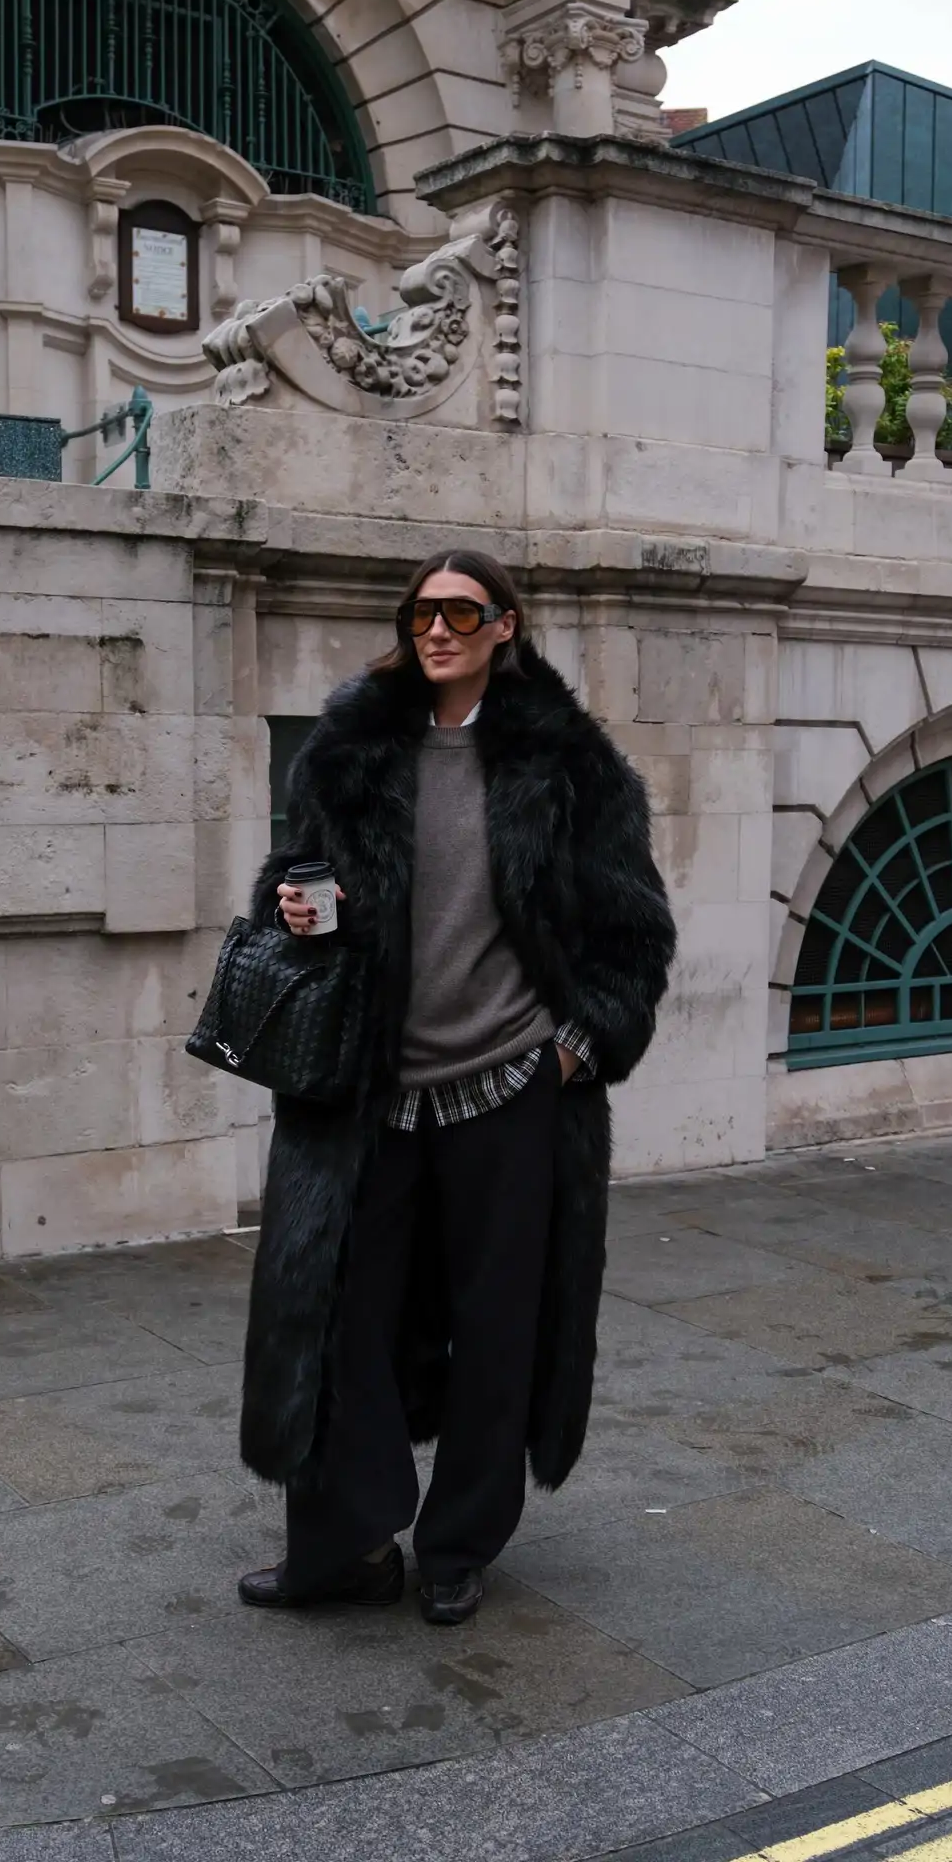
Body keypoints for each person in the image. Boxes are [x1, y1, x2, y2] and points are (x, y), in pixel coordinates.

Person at [235, 549, 675, 1626]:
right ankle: (348, 1545)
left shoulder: (570, 766)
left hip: (508, 1085)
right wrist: (295, 902)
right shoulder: (349, 752)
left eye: (462, 613)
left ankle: (458, 1546)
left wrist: (573, 1051)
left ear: (504, 625)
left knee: (496, 1325)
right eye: (423, 613)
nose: (437, 630)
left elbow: (634, 932)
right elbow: (292, 880)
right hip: (369, 1091)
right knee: (343, 1316)